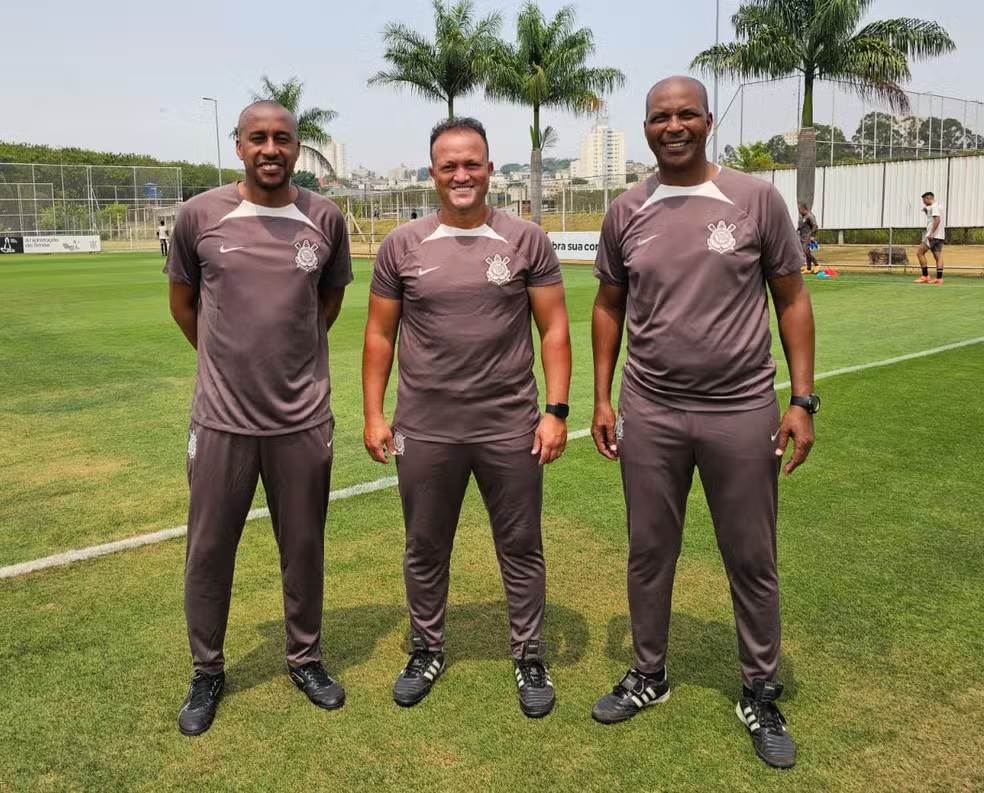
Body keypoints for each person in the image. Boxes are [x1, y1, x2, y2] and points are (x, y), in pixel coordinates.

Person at [589, 76, 817, 769]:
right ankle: (648, 674)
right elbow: (607, 306)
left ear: (708, 120)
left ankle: (758, 687)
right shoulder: (626, 209)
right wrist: (602, 398)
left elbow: (793, 300)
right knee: (649, 550)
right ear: (648, 127)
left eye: (686, 113)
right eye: (661, 116)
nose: (674, 125)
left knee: (751, 556)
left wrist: (802, 400)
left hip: (741, 408)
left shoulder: (755, 199)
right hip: (650, 411)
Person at [362, 117, 571, 718]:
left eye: (472, 163)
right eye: (449, 165)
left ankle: (529, 653)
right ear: (433, 174)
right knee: (425, 546)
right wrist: (375, 414)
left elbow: (554, 328)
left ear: (489, 168)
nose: (461, 174)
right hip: (424, 429)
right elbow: (379, 335)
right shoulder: (401, 245)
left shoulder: (526, 239)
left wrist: (555, 411)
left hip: (510, 426)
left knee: (521, 545)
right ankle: (426, 647)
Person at [165, 100, 353, 736]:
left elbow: (325, 304)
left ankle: (305, 657)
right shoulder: (200, 216)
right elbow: (184, 304)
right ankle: (207, 670)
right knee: (210, 550)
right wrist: (229, 365)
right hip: (221, 420)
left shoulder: (325, 217)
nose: (271, 148)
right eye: (258, 138)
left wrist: (289, 363)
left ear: (298, 146)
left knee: (302, 546)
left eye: (283, 138)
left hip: (301, 419)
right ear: (238, 145)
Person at [915, 191, 945, 284]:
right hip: (940, 236)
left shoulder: (934, 207)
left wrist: (931, 233)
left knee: (920, 252)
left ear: (928, 198)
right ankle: (939, 278)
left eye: (924, 200)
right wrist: (926, 211)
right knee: (938, 256)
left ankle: (925, 276)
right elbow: (932, 219)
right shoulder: (938, 206)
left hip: (933, 236)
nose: (923, 202)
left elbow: (937, 220)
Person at [797, 203, 818, 273]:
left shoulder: (810, 216)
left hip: (808, 237)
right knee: (806, 252)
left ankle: (817, 265)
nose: (799, 211)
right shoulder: (802, 217)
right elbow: (801, 226)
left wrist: (812, 236)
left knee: (806, 251)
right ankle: (808, 268)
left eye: (800, 209)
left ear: (804, 209)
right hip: (802, 237)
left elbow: (815, 226)